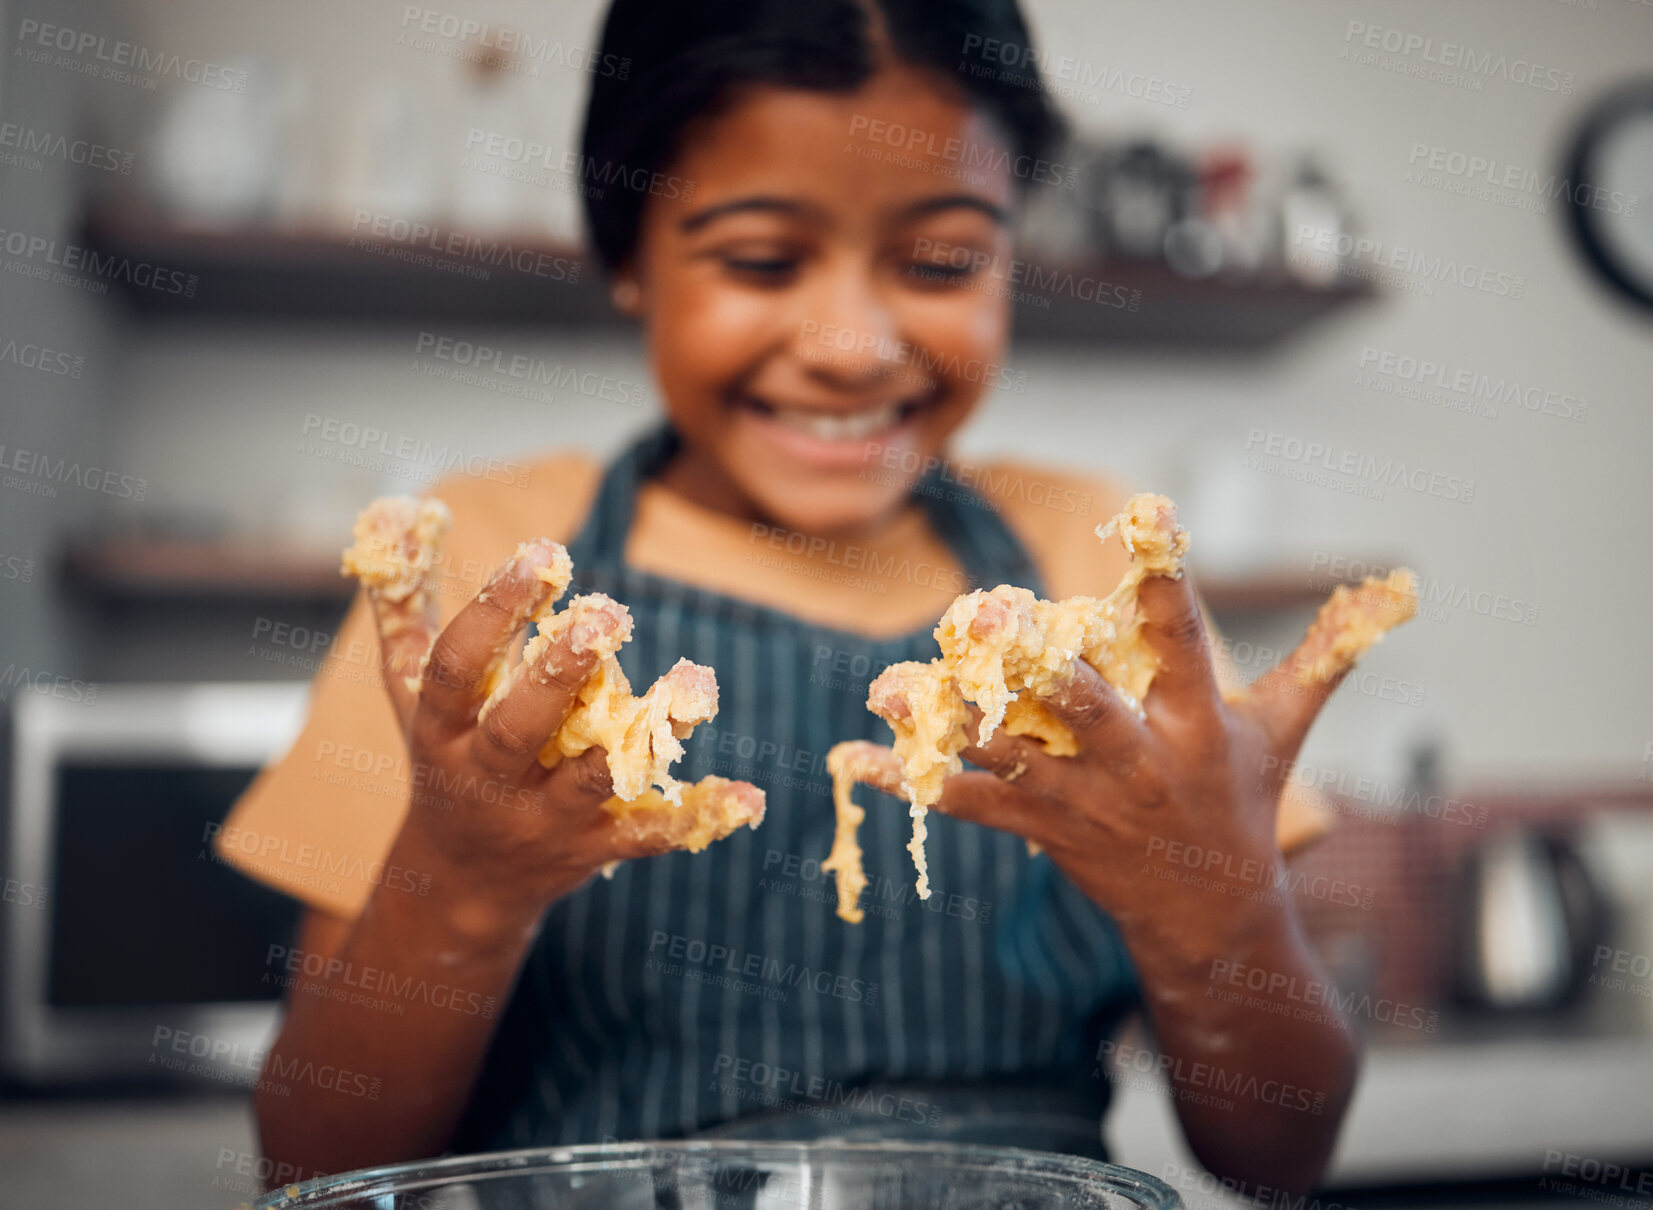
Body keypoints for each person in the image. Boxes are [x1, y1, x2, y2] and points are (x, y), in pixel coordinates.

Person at [220, 0, 1358, 1195]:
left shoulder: (1102, 566)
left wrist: (1220, 911)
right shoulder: (481, 573)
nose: (853, 344)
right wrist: (457, 888)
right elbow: (313, 1159)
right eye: (762, 260)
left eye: (942, 261)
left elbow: (1282, 1153)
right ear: (626, 254)